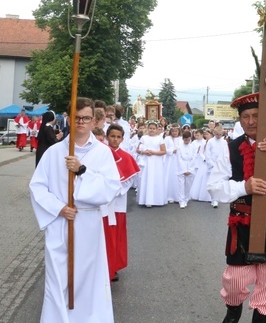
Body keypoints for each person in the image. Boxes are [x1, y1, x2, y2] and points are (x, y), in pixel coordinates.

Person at [207, 93, 266, 323]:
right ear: (239, 120)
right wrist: (243, 187)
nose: (250, 121)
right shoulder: (230, 148)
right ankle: (233, 309)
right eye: (246, 117)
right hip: (242, 223)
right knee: (234, 281)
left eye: (256, 116)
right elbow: (214, 188)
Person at [29, 97, 121, 323]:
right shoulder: (53, 153)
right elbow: (37, 186)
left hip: (88, 226)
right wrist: (59, 208)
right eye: (77, 118)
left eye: (86, 118)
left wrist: (82, 170)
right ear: (69, 119)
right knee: (58, 279)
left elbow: (111, 187)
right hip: (60, 224)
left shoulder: (102, 153)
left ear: (94, 121)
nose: (81, 122)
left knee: (87, 279)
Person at [103, 124, 140, 282]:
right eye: (112, 136)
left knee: (116, 234)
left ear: (122, 139)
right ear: (107, 137)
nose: (115, 140)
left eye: (118, 137)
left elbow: (130, 179)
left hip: (118, 201)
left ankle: (115, 266)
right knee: (104, 234)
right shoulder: (101, 154)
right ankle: (103, 265)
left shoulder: (126, 157)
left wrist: (115, 191)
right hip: (103, 200)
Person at [136, 121, 168, 208]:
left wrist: (154, 152)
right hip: (146, 160)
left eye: (154, 128)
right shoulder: (144, 138)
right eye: (150, 128)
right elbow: (138, 149)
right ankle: (145, 199)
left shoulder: (160, 139)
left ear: (157, 129)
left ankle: (156, 199)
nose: (152, 130)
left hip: (156, 161)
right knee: (146, 178)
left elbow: (164, 151)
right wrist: (143, 152)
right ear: (147, 128)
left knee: (155, 178)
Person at [176, 130, 196, 209]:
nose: (187, 141)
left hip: (190, 167)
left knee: (188, 184)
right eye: (185, 140)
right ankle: (181, 200)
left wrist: (189, 169)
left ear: (190, 138)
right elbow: (179, 159)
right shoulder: (179, 147)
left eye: (188, 140)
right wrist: (184, 170)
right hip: (181, 168)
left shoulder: (193, 147)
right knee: (181, 185)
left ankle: (186, 198)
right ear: (183, 139)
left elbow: (194, 158)